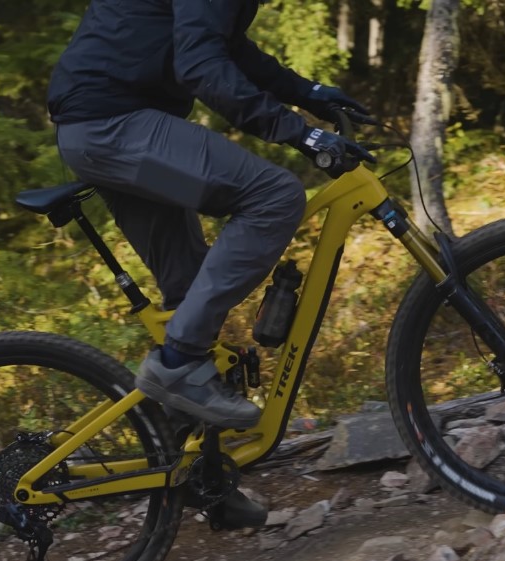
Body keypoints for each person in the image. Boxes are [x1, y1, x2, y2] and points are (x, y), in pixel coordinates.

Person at [47, 1, 374, 525]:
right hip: (114, 124)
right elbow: (200, 65)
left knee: (192, 293)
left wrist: (307, 94)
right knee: (274, 196)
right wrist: (299, 134)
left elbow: (227, 46)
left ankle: (205, 483)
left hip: (103, 127)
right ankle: (175, 366)